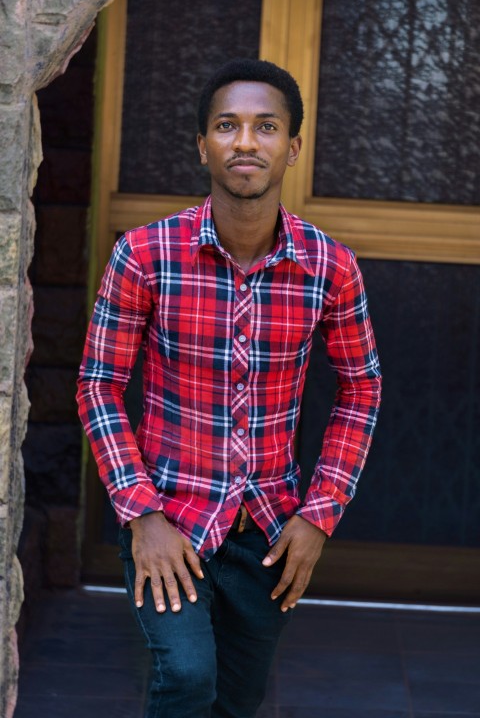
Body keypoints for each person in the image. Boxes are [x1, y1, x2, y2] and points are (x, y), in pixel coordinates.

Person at [77, 58, 381, 718]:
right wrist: (140, 514)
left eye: (266, 126)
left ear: (292, 146)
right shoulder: (145, 255)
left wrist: (319, 514)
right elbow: (99, 384)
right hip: (171, 523)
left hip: (269, 533)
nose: (246, 141)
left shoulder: (330, 267)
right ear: (203, 146)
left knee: (238, 700)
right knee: (186, 677)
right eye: (228, 126)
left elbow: (362, 388)